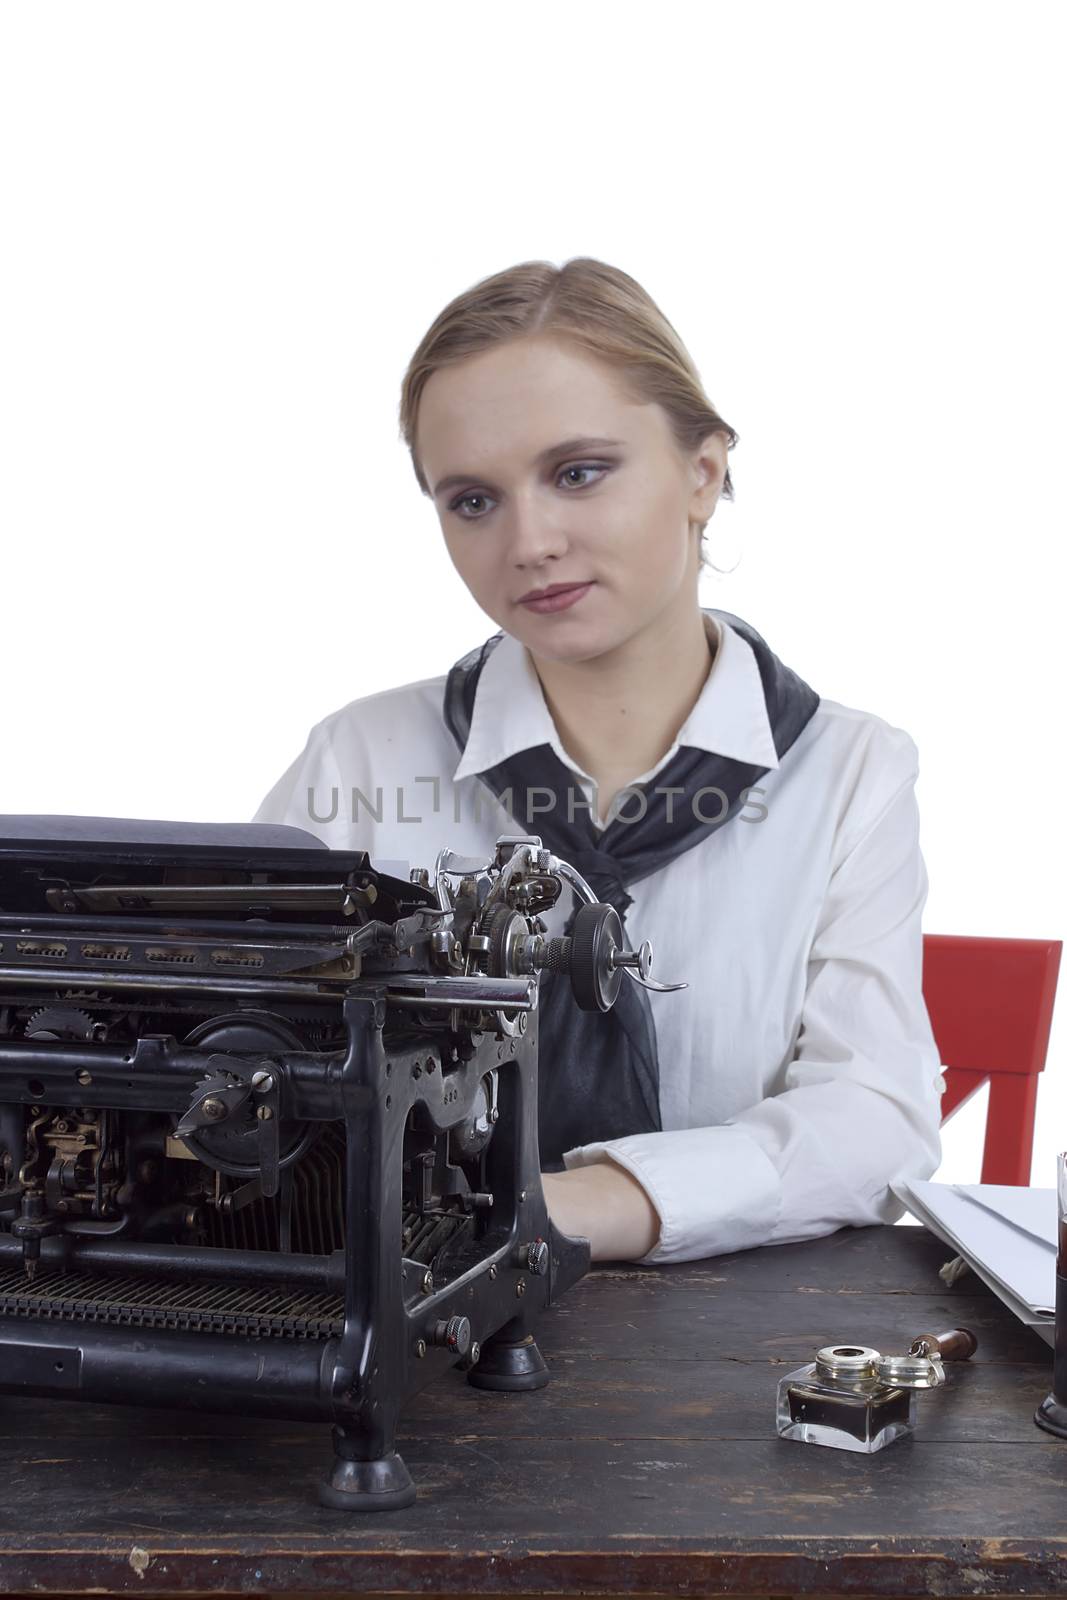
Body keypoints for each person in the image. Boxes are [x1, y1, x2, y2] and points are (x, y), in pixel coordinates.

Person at [252, 255, 943, 1266]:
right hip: (394, 1316)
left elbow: (877, 1117)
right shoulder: (360, 754)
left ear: (701, 473)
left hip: (722, 1348)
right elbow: (242, 1037)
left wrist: (567, 1206)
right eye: (472, 500)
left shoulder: (849, 773)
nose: (528, 541)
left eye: (577, 472)